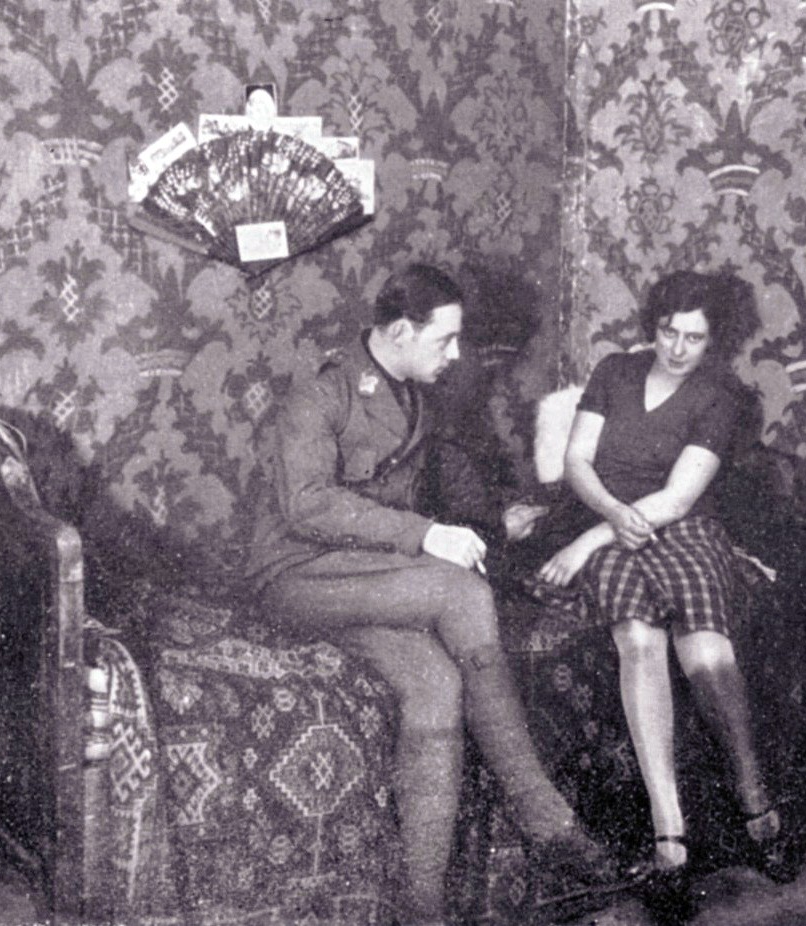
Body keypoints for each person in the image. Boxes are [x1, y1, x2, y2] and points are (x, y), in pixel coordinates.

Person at [245, 264, 619, 926]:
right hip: (298, 577)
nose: (455, 354)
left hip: (367, 583)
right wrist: (426, 536)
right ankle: (542, 814)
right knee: (462, 595)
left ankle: (423, 910)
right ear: (399, 331)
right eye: (444, 340)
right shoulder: (321, 394)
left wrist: (491, 523)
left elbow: (430, 495)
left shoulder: (416, 397)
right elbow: (307, 506)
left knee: (434, 684)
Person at [533, 270, 792, 895]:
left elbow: (677, 498)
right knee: (637, 637)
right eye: (668, 332)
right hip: (611, 523)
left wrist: (591, 538)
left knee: (703, 642)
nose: (677, 348)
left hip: (681, 528)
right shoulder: (615, 372)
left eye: (693, 338)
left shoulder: (721, 396)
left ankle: (754, 796)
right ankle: (667, 826)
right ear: (653, 327)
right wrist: (608, 515)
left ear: (714, 339)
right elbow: (576, 461)